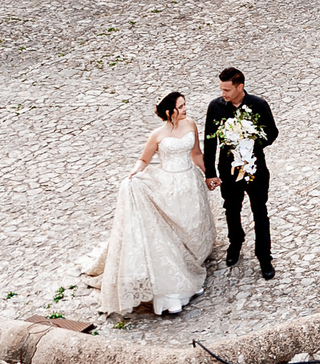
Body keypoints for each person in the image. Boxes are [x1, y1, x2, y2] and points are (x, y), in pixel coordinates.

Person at [77, 92, 218, 316]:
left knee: (192, 223)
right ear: (169, 112)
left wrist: (209, 174)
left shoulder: (190, 124)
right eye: (181, 106)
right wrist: (134, 173)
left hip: (190, 182)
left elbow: (196, 153)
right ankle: (177, 267)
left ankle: (194, 256)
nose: (185, 109)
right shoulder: (157, 135)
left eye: (184, 105)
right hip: (168, 183)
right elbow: (144, 159)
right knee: (172, 227)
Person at [203, 67, 279, 279]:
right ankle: (235, 242)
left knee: (260, 212)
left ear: (240, 87)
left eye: (227, 90)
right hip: (228, 169)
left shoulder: (258, 105)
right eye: (221, 89)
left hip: (255, 168)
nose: (223, 94)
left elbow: (272, 133)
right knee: (231, 209)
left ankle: (264, 256)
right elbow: (210, 141)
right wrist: (210, 172)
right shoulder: (216, 107)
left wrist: (251, 141)